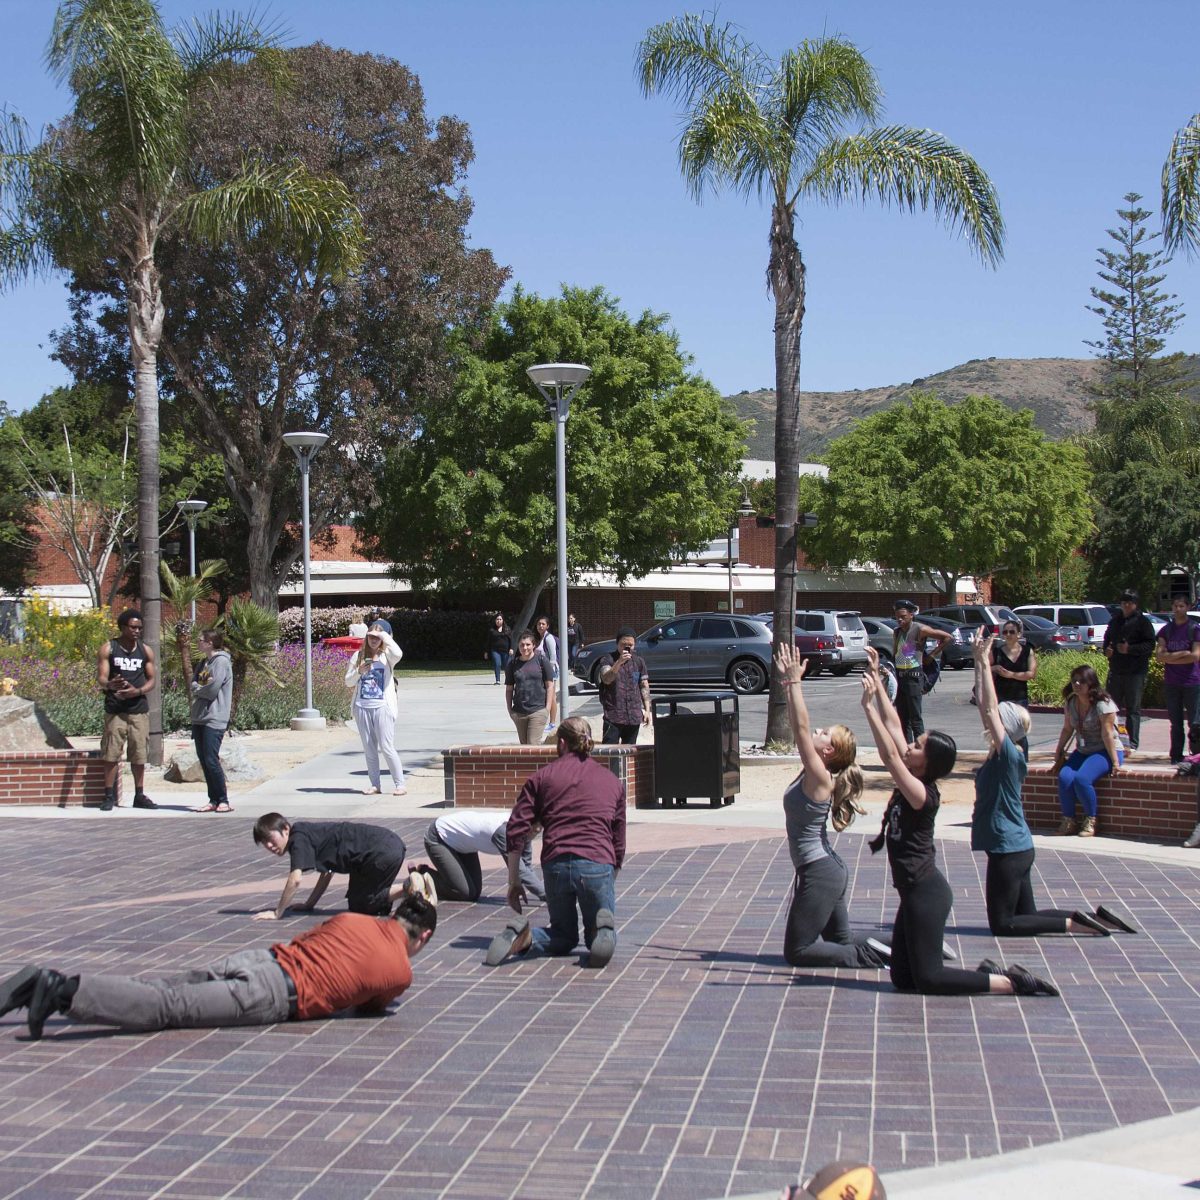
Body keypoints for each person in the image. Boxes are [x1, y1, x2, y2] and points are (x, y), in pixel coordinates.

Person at [860, 653, 1058, 997]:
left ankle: (1010, 982)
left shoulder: (921, 794)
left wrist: (867, 708)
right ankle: (989, 973)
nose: (910, 745)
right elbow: (895, 728)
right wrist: (878, 684)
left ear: (928, 762)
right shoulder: (916, 778)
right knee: (903, 979)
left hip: (926, 894)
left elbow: (890, 756)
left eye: (918, 745)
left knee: (930, 979)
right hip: (913, 894)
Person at [0, 893, 437, 1040]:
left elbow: (310, 939)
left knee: (157, 989)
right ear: (424, 937)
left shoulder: (353, 918)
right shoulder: (401, 971)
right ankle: (59, 990)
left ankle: (37, 988)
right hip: (271, 995)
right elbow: (369, 1005)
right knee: (166, 1009)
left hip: (259, 959)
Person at [971, 633, 1131, 937]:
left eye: (994, 720)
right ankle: (1099, 918)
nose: (987, 719)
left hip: (1009, 849)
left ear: (1004, 728)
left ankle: (1075, 924)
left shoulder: (1007, 756)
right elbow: (985, 705)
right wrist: (980, 664)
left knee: (1004, 924)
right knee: (1027, 916)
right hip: (1014, 847)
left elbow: (990, 710)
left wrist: (981, 659)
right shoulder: (1002, 753)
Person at [774, 642, 885, 969]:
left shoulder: (821, 778)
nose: (817, 733)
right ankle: (904, 944)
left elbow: (801, 729)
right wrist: (788, 685)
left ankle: (874, 956)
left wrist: (795, 683)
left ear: (829, 752)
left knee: (799, 952)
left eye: (825, 734)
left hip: (819, 872)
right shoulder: (816, 772)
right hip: (827, 870)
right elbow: (799, 728)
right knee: (841, 943)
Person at [485, 716, 625, 969]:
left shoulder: (542, 778)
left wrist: (514, 881)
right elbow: (619, 840)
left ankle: (525, 936)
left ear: (561, 743)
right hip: (597, 862)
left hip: (556, 866)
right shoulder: (612, 782)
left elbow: (515, 830)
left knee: (562, 936)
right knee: (596, 930)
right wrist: (609, 878)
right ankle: (601, 933)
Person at [252, 814, 410, 920]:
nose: (270, 846)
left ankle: (409, 888)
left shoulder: (297, 841)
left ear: (286, 829)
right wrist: (309, 904)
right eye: (265, 843)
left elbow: (295, 880)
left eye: (271, 839)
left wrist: (277, 912)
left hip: (378, 852)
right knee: (361, 904)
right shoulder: (307, 833)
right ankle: (419, 878)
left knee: (363, 904)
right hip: (386, 846)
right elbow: (327, 872)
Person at [96, 608, 158, 811]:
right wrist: (110, 685)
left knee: (139, 754)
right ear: (123, 627)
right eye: (132, 627)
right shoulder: (109, 648)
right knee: (111, 754)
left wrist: (138, 691)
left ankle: (139, 795)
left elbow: (152, 680)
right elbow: (101, 678)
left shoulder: (145, 650)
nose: (136, 631)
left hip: (138, 709)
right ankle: (108, 795)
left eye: (139, 628)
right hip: (116, 711)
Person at [1052, 664, 1123, 837]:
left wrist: (1115, 762)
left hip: (1105, 750)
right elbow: (1068, 729)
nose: (1077, 684)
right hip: (1084, 750)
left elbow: (1107, 735)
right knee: (1065, 777)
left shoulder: (1103, 704)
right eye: (1074, 680)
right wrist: (1059, 751)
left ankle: (1091, 819)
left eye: (1082, 681)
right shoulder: (1071, 702)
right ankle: (1069, 820)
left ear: (1091, 683)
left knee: (1082, 779)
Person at [416, 810, 545, 903]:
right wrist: (547, 896)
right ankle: (421, 876)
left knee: (474, 893)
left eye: (538, 830)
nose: (534, 834)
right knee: (464, 893)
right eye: (533, 829)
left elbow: (526, 866)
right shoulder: (504, 832)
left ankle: (439, 877)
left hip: (464, 845)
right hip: (439, 837)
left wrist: (542, 893)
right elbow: (518, 870)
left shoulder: (524, 832)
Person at [344, 623, 405, 795]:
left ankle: (400, 784)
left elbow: (399, 653)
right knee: (369, 748)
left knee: (387, 747)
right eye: (370, 636)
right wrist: (359, 671)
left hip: (382, 707)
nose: (373, 640)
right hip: (362, 707)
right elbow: (348, 682)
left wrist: (384, 636)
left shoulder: (388, 656)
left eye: (377, 637)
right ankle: (375, 785)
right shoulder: (358, 656)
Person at [891, 600, 951, 745]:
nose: (900, 619)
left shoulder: (920, 629)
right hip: (900, 676)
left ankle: (921, 750)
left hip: (913, 676)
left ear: (911, 615)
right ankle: (908, 751)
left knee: (915, 718)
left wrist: (931, 655)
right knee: (903, 718)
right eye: (897, 616)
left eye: (903, 616)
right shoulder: (897, 632)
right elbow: (896, 654)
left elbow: (947, 637)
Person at [1102, 589, 1155, 752]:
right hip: (1116, 670)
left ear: (1135, 604)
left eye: (1129, 602)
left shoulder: (1143, 622)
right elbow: (1106, 641)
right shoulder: (1115, 621)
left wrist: (1130, 649)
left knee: (1133, 709)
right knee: (1111, 707)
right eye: (1123, 602)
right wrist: (1107, 650)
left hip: (1135, 672)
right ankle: (1113, 740)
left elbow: (1150, 645)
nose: (1126, 605)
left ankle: (1132, 743)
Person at [190, 629, 234, 813]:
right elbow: (194, 683)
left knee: (211, 758)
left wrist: (198, 689)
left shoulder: (221, 662)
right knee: (203, 759)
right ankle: (212, 799)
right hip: (199, 717)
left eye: (201, 640)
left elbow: (211, 689)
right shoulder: (204, 662)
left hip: (215, 718)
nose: (198, 642)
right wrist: (199, 688)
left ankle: (223, 799)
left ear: (210, 643)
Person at [1155, 596, 1200, 764]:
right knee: (1176, 722)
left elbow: (1195, 655)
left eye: (1181, 605)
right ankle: (1176, 755)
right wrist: (1182, 653)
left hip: (1192, 682)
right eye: (1175, 605)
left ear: (1187, 607)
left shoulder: (1194, 629)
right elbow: (1159, 656)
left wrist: (1170, 657)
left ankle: (1196, 756)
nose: (1178, 609)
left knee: (1195, 722)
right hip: (1172, 682)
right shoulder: (1166, 630)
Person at [597, 626, 652, 744]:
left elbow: (644, 685)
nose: (627, 647)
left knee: (630, 752)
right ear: (617, 643)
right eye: (623, 644)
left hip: (633, 716)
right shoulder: (608, 659)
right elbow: (606, 679)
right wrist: (619, 663)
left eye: (630, 645)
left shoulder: (638, 662)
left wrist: (647, 710)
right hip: (614, 716)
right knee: (610, 754)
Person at [990, 619, 1037, 758]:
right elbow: (984, 668)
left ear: (1019, 634)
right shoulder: (997, 652)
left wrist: (1011, 675)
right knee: (1001, 731)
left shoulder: (1027, 651)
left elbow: (1031, 674)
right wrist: (995, 668)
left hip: (1020, 697)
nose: (1008, 635)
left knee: (1020, 732)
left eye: (1012, 632)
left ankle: (1023, 762)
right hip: (1001, 697)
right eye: (1005, 632)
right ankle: (1000, 762)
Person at [505, 629, 556, 745]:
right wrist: (510, 710)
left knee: (532, 745)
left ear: (534, 645)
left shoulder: (542, 660)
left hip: (537, 711)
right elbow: (509, 689)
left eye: (528, 644)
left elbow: (550, 686)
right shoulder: (513, 664)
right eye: (522, 645)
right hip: (519, 712)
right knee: (524, 746)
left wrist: (547, 709)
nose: (525, 647)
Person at [534, 616, 560, 730]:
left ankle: (552, 723)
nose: (540, 626)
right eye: (539, 624)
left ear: (547, 626)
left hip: (550, 671)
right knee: (546, 696)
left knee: (552, 696)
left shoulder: (548, 638)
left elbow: (553, 657)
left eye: (543, 624)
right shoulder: (539, 638)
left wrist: (550, 672)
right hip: (542, 671)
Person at [485, 613, 513, 685]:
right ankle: (497, 680)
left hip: (506, 651)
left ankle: (508, 680)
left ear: (503, 620)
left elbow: (511, 640)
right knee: (497, 664)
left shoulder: (507, 629)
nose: (498, 621)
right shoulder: (492, 630)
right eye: (497, 619)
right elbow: (488, 642)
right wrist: (486, 652)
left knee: (507, 666)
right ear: (495, 620)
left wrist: (511, 648)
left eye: (500, 619)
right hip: (495, 651)